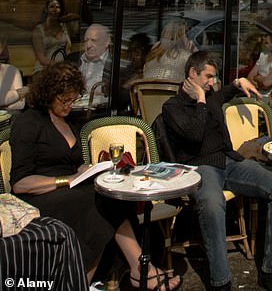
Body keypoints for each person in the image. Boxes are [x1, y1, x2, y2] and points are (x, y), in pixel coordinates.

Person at [9, 62, 180, 289]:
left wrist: (85, 170)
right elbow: (20, 183)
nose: (70, 105)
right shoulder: (28, 123)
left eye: (73, 99)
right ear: (48, 94)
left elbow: (73, 164)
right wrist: (66, 180)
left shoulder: (68, 121)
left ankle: (127, 271)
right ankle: (135, 270)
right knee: (96, 205)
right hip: (39, 195)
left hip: (71, 191)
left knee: (111, 196)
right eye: (64, 100)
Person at [162, 50, 272, 291]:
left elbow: (226, 92)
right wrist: (201, 99)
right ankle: (221, 282)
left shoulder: (212, 94)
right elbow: (195, 134)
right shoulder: (172, 107)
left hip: (229, 161)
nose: (212, 83)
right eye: (208, 77)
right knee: (212, 204)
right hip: (200, 167)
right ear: (192, 74)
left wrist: (237, 82)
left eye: (214, 78)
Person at [31, 0, 71, 73]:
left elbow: (68, 51)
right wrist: (58, 66)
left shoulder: (64, 28)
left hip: (61, 70)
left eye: (58, 7)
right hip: (43, 69)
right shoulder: (38, 30)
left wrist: (67, 66)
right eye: (52, 7)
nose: (55, 10)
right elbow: (41, 59)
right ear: (46, 9)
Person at [77, 23, 111, 93]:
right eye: (86, 41)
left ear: (107, 42)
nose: (88, 45)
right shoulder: (75, 60)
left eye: (94, 40)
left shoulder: (115, 64)